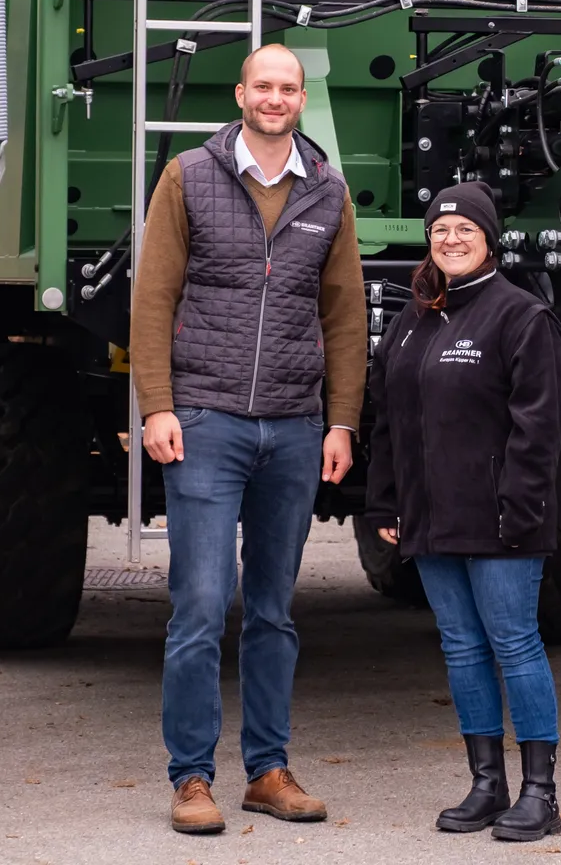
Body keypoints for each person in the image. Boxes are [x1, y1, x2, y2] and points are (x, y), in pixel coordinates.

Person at [129, 43, 366, 835]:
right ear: (241, 93)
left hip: (296, 429)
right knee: (200, 605)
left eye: (287, 88)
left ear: (303, 99)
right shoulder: (190, 177)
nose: (274, 98)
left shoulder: (327, 189)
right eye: (262, 86)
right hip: (206, 419)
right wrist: (158, 405)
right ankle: (192, 779)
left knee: (272, 609)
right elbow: (154, 295)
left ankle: (267, 770)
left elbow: (344, 314)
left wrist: (342, 420)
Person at [364, 181, 561, 842]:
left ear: (488, 240)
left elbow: (538, 428)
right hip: (430, 517)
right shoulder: (414, 319)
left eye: (465, 231)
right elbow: (390, 419)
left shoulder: (521, 317)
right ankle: (487, 784)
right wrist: (386, 501)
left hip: (502, 518)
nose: (450, 240)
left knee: (514, 644)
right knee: (460, 648)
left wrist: (520, 506)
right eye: (440, 231)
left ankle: (541, 793)